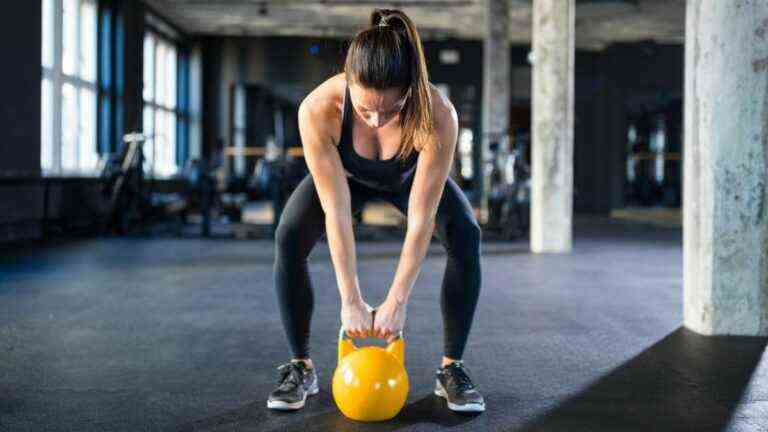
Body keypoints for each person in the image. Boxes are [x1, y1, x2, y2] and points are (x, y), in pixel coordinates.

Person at [267, 8, 484, 413]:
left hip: (406, 179)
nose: (377, 119)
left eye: (391, 109)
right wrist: (350, 298)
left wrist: (397, 301)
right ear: (349, 82)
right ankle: (301, 366)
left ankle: (452, 368)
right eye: (366, 110)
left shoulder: (438, 114)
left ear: (411, 91)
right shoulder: (318, 110)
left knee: (467, 235)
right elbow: (336, 211)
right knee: (289, 236)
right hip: (345, 178)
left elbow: (420, 220)